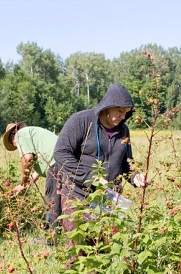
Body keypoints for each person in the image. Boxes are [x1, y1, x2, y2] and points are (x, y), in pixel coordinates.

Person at [53, 83, 146, 235]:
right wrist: (90, 177)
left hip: (108, 201)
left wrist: (135, 177)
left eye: (127, 112)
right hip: (78, 198)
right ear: (107, 107)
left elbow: (126, 164)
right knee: (79, 254)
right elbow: (61, 153)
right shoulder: (81, 121)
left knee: (105, 252)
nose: (123, 117)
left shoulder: (123, 130)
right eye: (120, 111)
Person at [2, 122, 61, 228]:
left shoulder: (20, 134)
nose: (15, 146)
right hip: (63, 163)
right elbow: (39, 168)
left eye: (13, 143)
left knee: (53, 203)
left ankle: (52, 239)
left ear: (12, 135)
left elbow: (27, 158)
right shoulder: (33, 134)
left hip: (56, 166)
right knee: (65, 202)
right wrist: (24, 185)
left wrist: (23, 181)